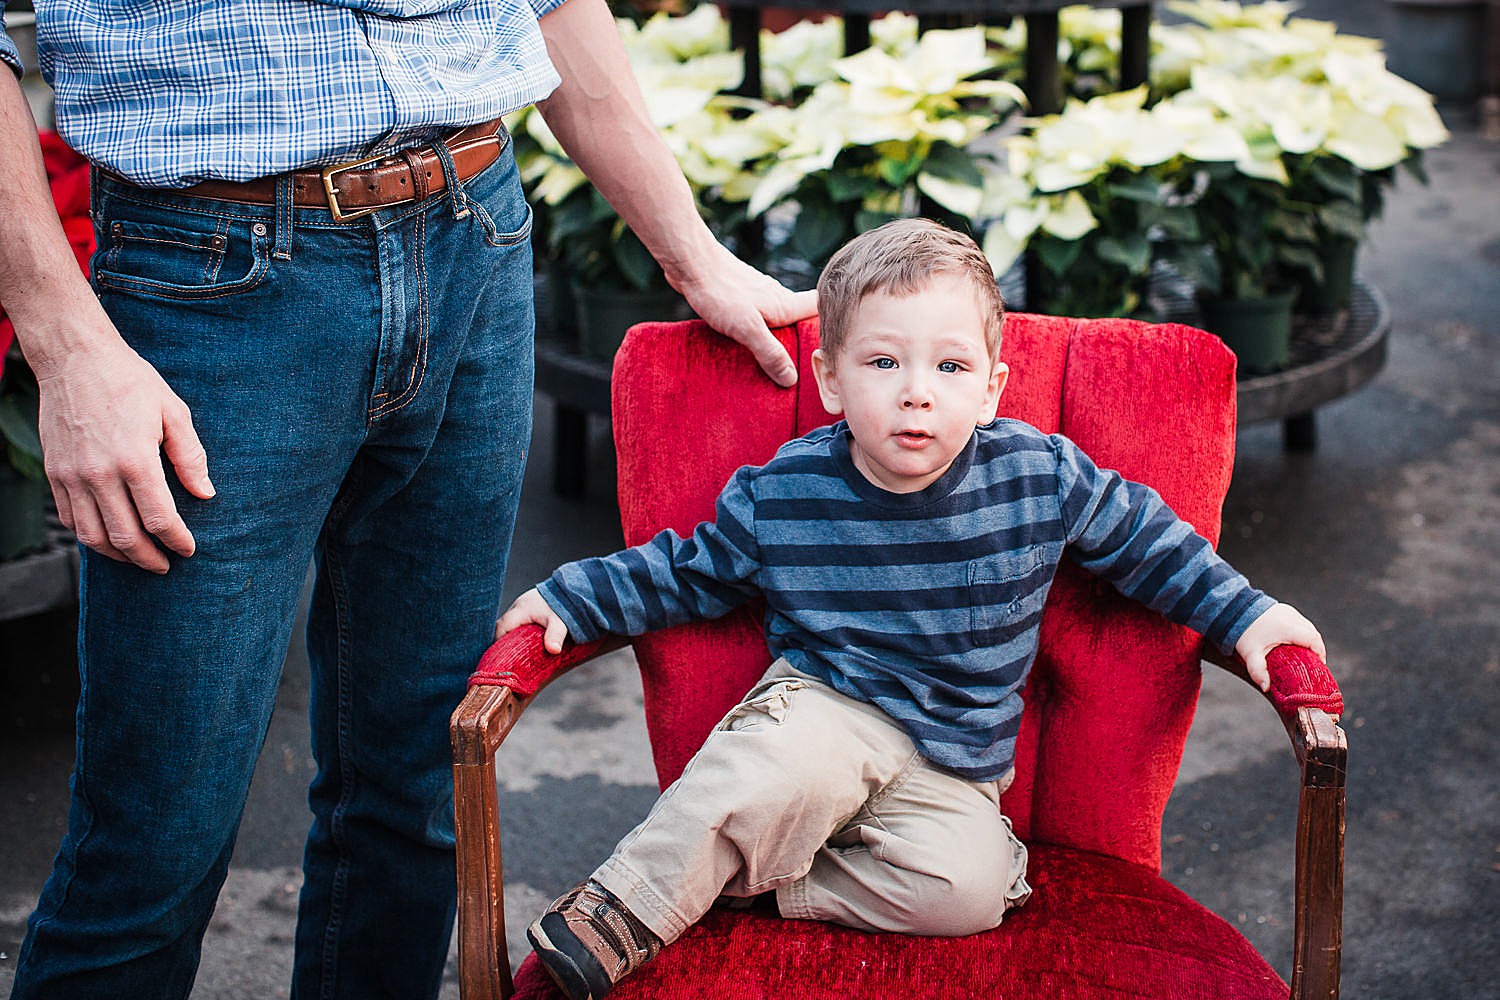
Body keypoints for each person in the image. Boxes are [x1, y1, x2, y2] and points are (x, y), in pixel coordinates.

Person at [0, 2, 814, 998]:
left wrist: (692, 253)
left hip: (475, 231)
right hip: (215, 272)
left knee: (418, 795)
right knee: (154, 840)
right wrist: (66, 344)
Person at [496, 218, 1327, 1000]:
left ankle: (749, 888)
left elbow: (1154, 545)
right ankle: (625, 909)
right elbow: (687, 572)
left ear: (994, 388)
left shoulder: (1041, 477)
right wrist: (571, 598)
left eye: (950, 368)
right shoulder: (787, 491)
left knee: (962, 893)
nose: (916, 394)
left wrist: (1247, 617)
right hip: (826, 708)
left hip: (954, 758)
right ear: (830, 378)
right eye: (883, 363)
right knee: (765, 772)